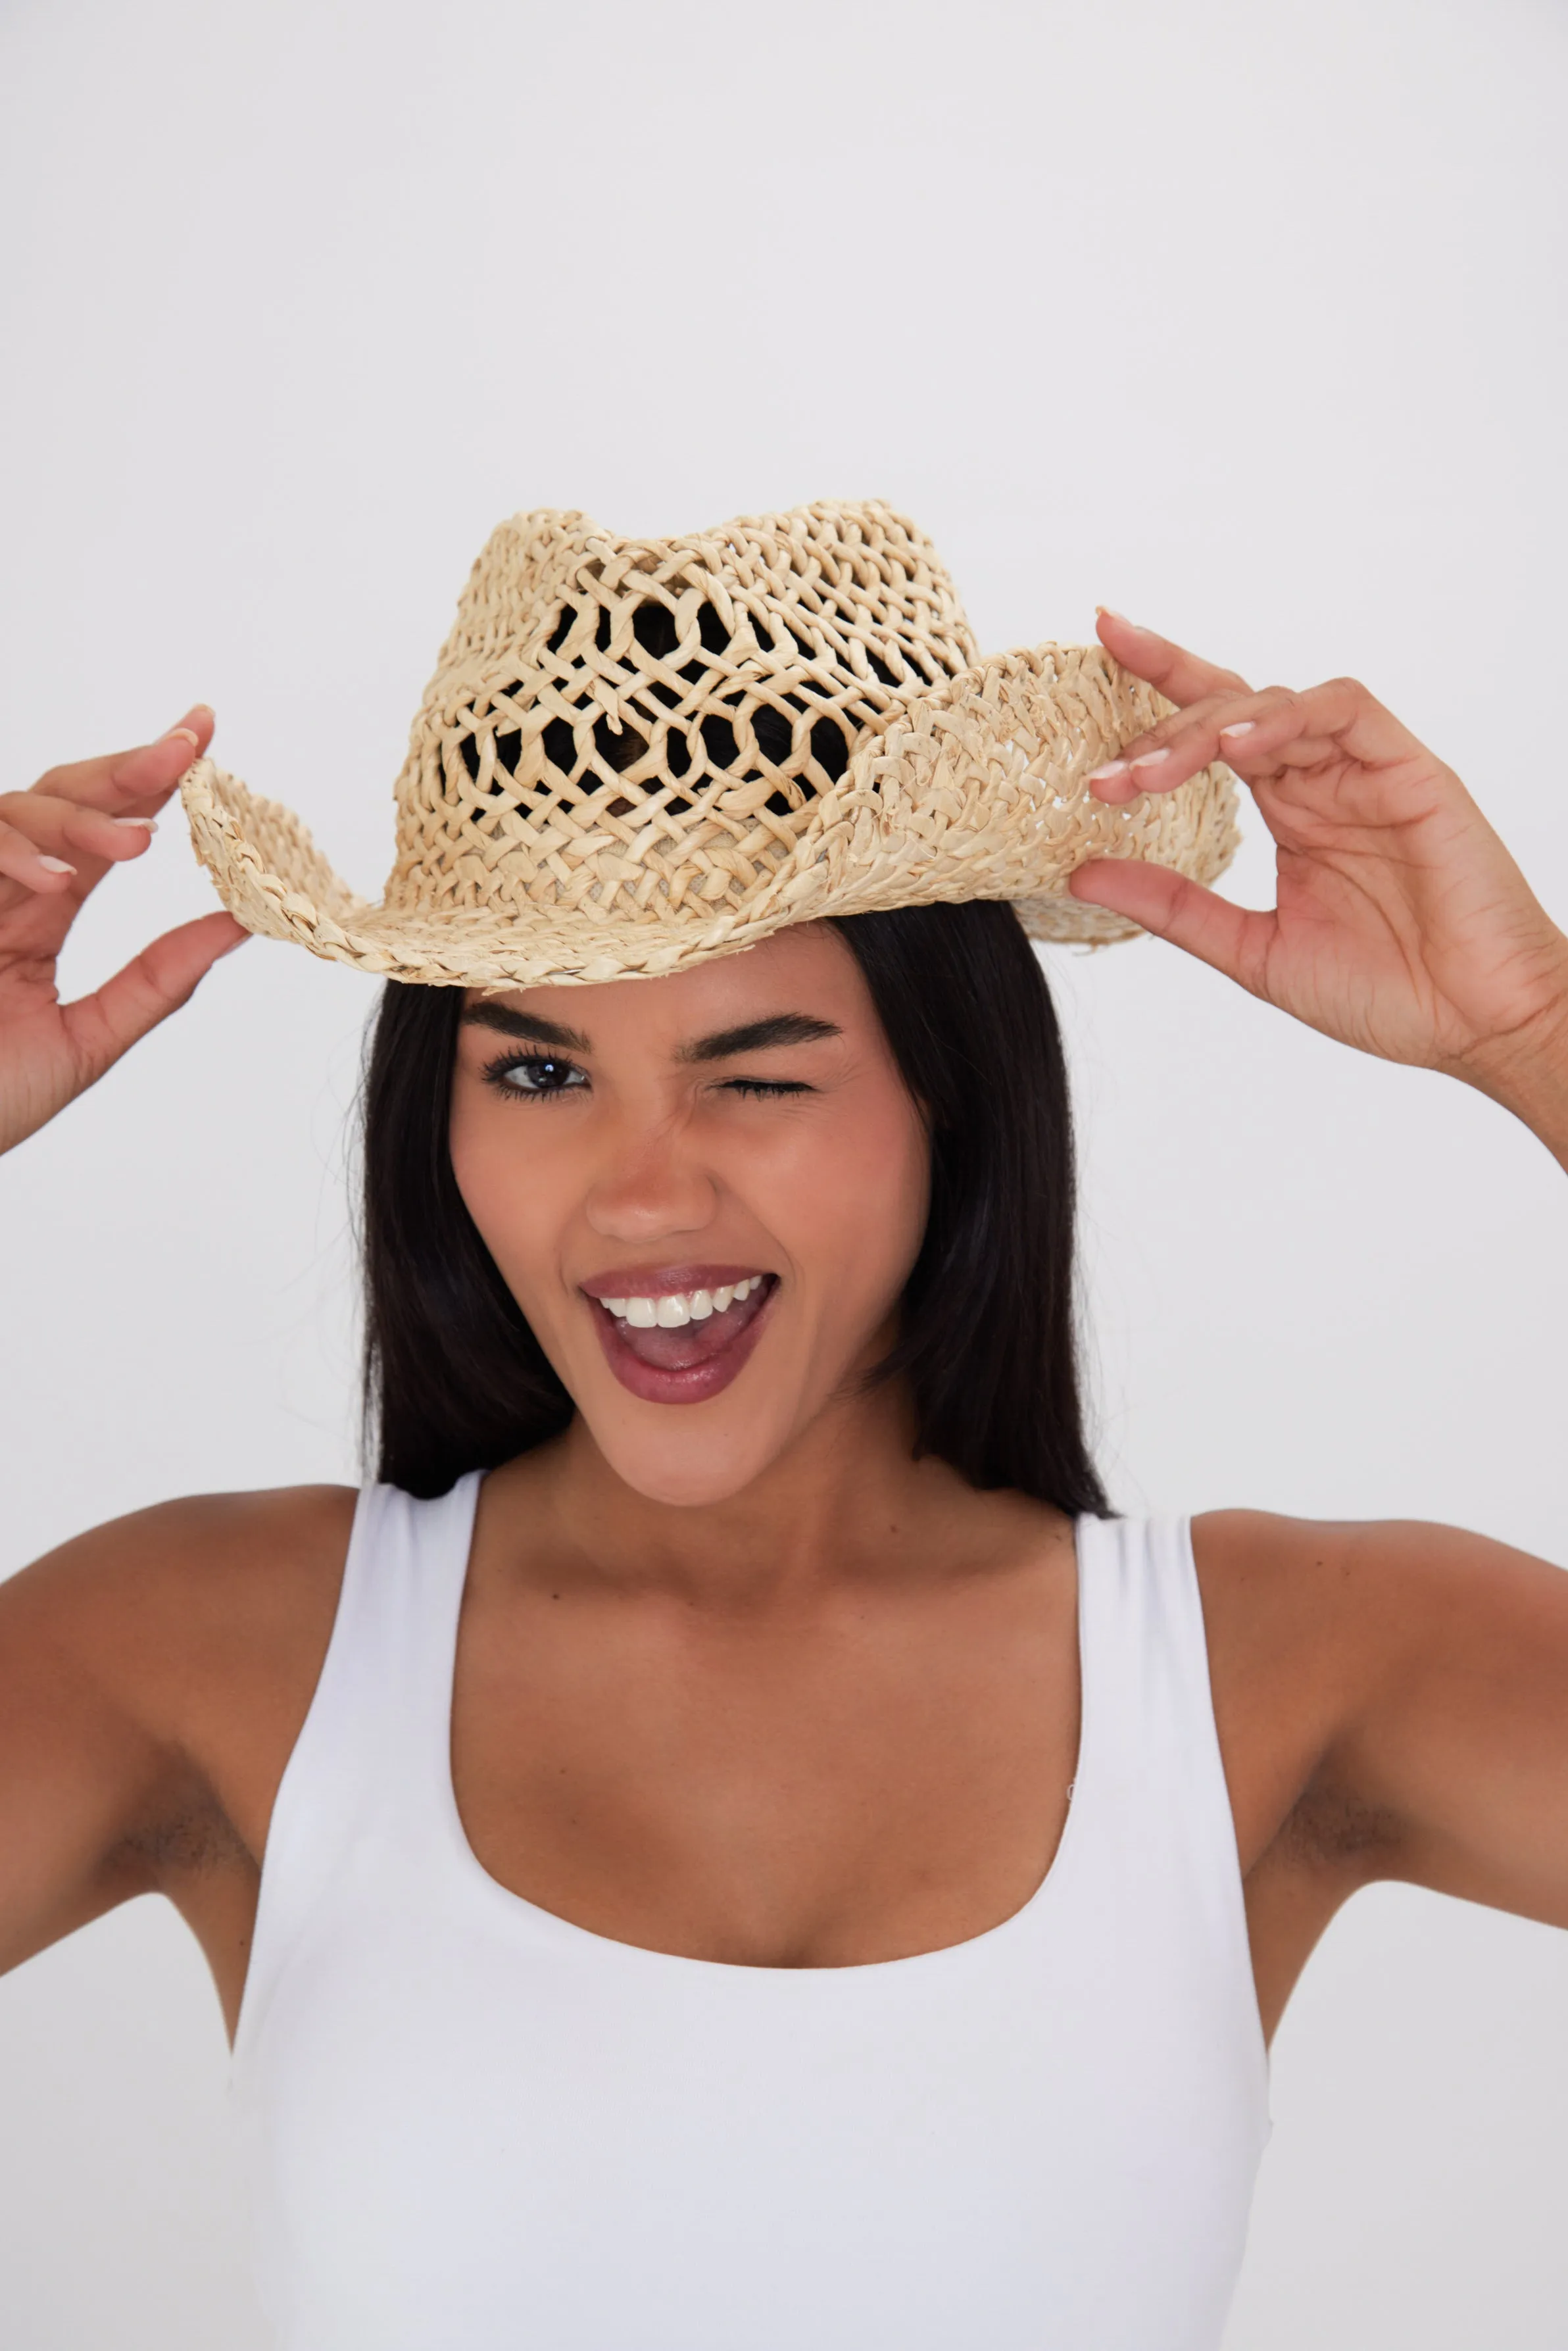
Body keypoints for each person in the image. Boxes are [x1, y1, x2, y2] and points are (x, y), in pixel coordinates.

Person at [1, 500, 1565, 2351]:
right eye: (538, 1069)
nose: (640, 1197)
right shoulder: (219, 1648)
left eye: (755, 1074)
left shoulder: (1276, 1674)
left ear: (948, 1097)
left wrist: (1534, 1029)